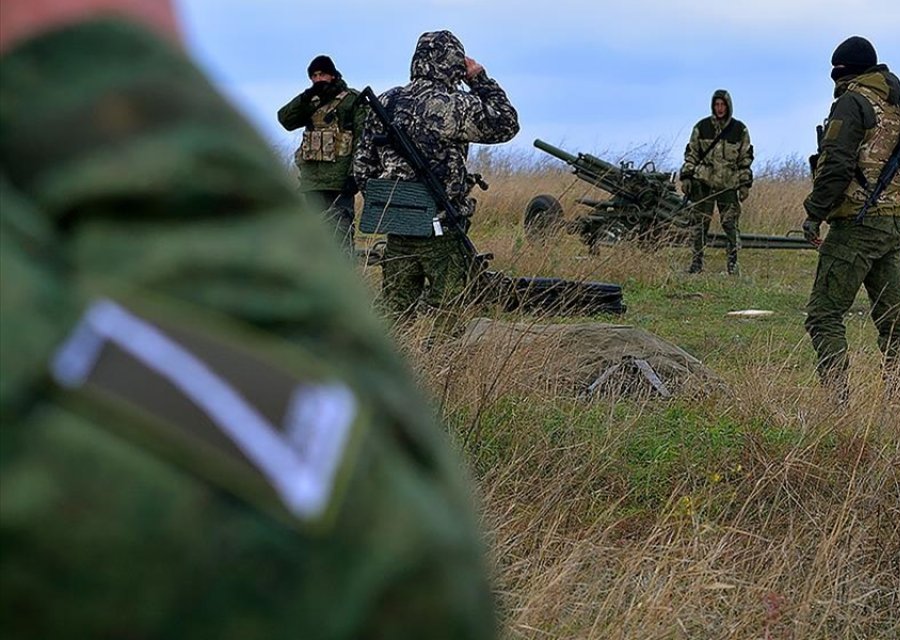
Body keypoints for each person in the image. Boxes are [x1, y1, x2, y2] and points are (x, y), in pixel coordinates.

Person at [0, 2, 496, 637]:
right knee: (439, 302)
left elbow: (365, 162)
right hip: (411, 210)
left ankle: (428, 355)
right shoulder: (427, 104)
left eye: (323, 77)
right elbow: (401, 573)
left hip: (381, 207)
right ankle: (447, 358)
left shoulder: (375, 102)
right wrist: (106, 62)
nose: (319, 84)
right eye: (316, 77)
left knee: (396, 296)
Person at [352, 30, 519, 321]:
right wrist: (479, 78)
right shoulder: (454, 104)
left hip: (397, 223)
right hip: (440, 227)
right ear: (453, 63)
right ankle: (444, 365)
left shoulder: (386, 101)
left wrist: (392, 202)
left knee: (393, 311)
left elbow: (361, 168)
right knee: (450, 308)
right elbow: (507, 123)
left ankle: (393, 364)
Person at [800, 36, 900, 400]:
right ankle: (899, 402)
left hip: (857, 223)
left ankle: (837, 402)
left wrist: (814, 213)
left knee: (823, 316)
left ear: (841, 72)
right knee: (893, 323)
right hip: (892, 223)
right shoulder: (893, 105)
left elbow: (835, 165)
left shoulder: (853, 102)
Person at [277, 54, 363, 255]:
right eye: (314, 76)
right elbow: (285, 119)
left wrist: (354, 175)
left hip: (340, 182)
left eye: (322, 74)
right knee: (315, 240)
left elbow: (362, 139)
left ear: (332, 75)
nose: (318, 79)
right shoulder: (310, 101)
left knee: (341, 238)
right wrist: (305, 97)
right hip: (312, 181)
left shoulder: (351, 101)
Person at [679, 89, 754, 274]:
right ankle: (696, 264)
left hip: (728, 185)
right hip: (703, 182)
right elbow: (692, 154)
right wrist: (687, 176)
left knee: (730, 225)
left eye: (723, 105)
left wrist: (744, 184)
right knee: (699, 225)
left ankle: (733, 265)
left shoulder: (739, 130)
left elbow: (745, 159)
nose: (719, 108)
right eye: (717, 105)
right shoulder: (702, 127)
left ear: (728, 106)